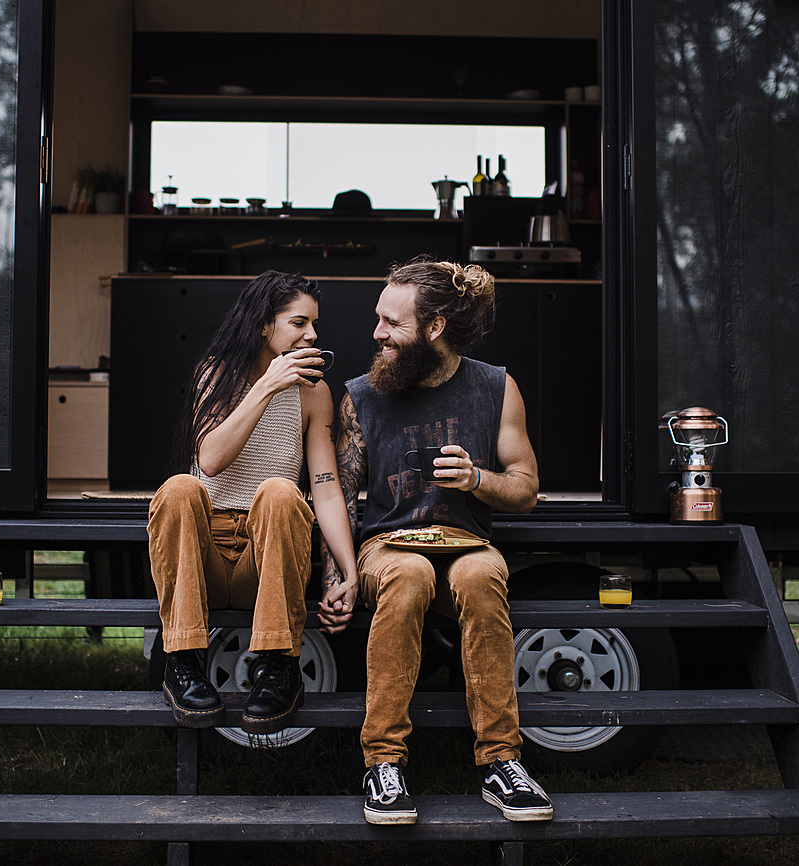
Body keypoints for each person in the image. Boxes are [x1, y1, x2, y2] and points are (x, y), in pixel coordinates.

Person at [321, 255, 554, 825]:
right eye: (378, 319)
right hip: (389, 546)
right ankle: (384, 762)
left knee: (482, 576)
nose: (376, 334)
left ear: (434, 329)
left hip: (466, 541)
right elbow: (341, 498)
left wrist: (476, 479)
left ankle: (502, 762)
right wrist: (336, 576)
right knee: (410, 575)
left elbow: (526, 487)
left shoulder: (496, 388)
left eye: (391, 324)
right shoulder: (361, 395)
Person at [149, 270, 359, 737]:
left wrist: (348, 570)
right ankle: (182, 663)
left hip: (264, 557)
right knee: (180, 487)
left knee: (282, 491)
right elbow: (211, 457)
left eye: (314, 325)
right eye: (299, 323)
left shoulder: (314, 392)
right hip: (201, 556)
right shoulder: (217, 375)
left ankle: (277, 667)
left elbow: (325, 485)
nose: (313, 335)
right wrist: (267, 384)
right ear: (265, 325)